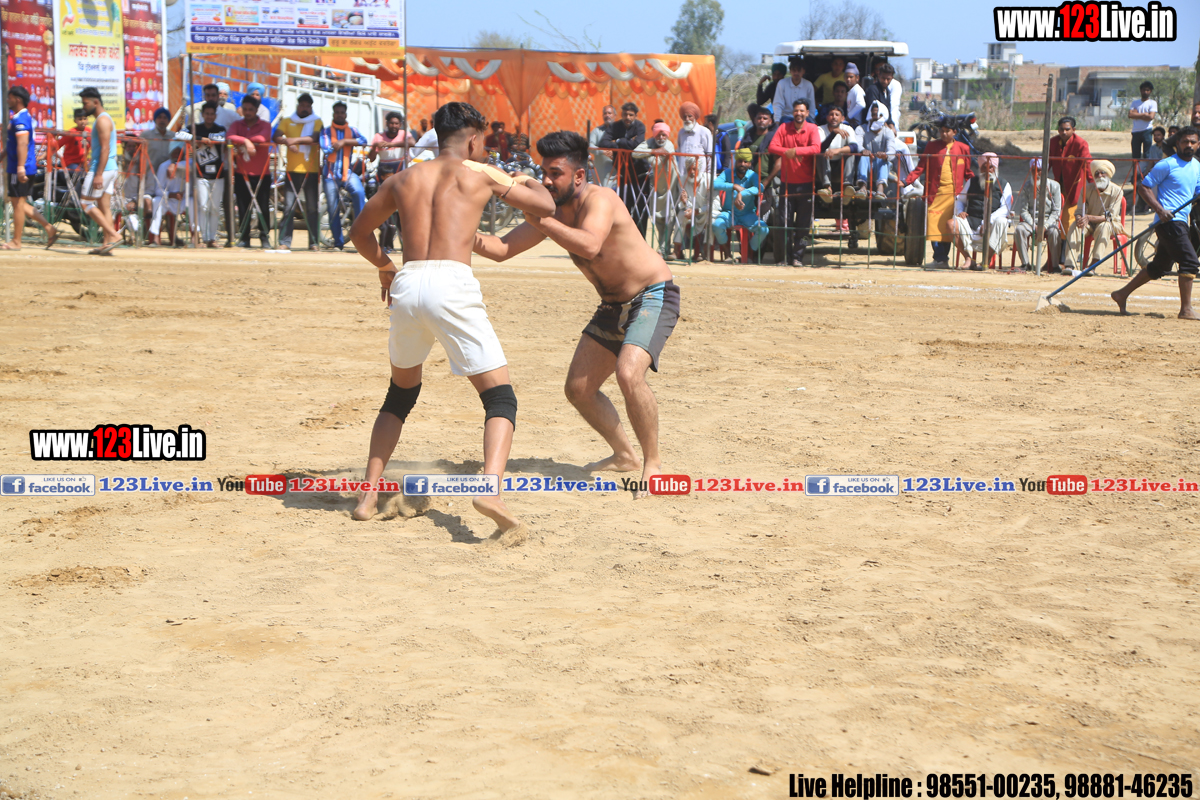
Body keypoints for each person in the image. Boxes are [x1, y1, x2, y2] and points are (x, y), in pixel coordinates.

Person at [344, 101, 556, 537]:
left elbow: (359, 233)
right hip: (452, 283)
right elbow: (546, 205)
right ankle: (490, 490)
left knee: (400, 394)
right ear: (473, 139)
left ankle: (367, 495)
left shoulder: (403, 178)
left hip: (408, 282)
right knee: (500, 398)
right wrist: (520, 177)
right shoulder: (480, 173)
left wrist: (385, 266)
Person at [472, 131, 679, 496]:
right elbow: (502, 249)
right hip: (612, 305)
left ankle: (653, 464)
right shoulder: (551, 212)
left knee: (628, 374)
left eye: (556, 173)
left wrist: (541, 221)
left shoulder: (601, 199)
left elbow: (590, 244)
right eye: (544, 173)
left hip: (652, 295)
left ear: (579, 175)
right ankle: (625, 455)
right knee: (579, 390)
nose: (547, 181)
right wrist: (461, 235)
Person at [1111, 127, 1200, 320]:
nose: (1189, 145)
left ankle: (1121, 294)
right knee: (1190, 262)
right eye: (1185, 141)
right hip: (1169, 221)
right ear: (1177, 144)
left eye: (1193, 142)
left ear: (1198, 144)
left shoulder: (1196, 166)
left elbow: (1197, 191)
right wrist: (1160, 210)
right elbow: (1143, 187)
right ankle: (1186, 310)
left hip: (1181, 221)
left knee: (1160, 266)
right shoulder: (1167, 164)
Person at [903, 121, 974, 267]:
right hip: (934, 194)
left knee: (946, 228)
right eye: (942, 131)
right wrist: (906, 181)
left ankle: (942, 259)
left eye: (947, 131)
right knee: (933, 225)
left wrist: (976, 188)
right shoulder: (931, 146)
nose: (944, 134)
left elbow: (968, 173)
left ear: (954, 132)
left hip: (954, 196)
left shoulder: (963, 148)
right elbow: (920, 167)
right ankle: (939, 258)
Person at [1, 86, 57, 250]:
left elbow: (22, 143)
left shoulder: (21, 120)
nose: (7, 100)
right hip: (22, 166)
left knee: (18, 204)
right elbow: (14, 144)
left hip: (20, 167)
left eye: (9, 97)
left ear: (17, 100)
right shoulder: (20, 118)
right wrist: (3, 155)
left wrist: (20, 167)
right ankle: (49, 228)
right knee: (19, 202)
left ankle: (16, 242)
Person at [768, 98, 822, 265]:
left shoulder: (812, 128)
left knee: (804, 227)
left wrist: (796, 151)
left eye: (802, 111)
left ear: (807, 113)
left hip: (806, 184)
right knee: (784, 223)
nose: (798, 113)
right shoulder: (784, 127)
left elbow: (816, 148)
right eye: (796, 110)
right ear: (792, 112)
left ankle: (798, 257)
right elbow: (772, 146)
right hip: (787, 184)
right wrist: (787, 152)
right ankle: (783, 258)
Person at [274, 93, 324, 251]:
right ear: (298, 106)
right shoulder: (287, 121)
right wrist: (286, 142)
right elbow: (276, 136)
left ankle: (314, 242)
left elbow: (314, 138)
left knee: (312, 208)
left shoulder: (317, 121)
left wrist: (293, 141)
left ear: (311, 107)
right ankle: (284, 242)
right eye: (302, 105)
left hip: (311, 170)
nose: (305, 108)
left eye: (307, 106)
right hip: (292, 170)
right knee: (288, 206)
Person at [78, 87, 122, 255]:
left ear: (95, 102)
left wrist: (98, 174)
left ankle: (114, 235)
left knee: (86, 203)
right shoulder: (103, 119)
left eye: (85, 103)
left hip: (102, 169)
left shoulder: (102, 120)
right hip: (109, 168)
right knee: (104, 207)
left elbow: (105, 148)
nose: (84, 107)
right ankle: (106, 244)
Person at [226, 94, 274, 249]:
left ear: (256, 110)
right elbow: (229, 136)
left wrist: (242, 140)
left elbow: (262, 138)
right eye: (245, 109)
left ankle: (264, 236)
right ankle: (244, 237)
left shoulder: (265, 125)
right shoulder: (237, 124)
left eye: (250, 109)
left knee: (263, 207)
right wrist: (246, 141)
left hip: (262, 174)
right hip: (242, 172)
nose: (247, 112)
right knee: (243, 207)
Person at [320, 101, 369, 250]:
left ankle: (361, 233)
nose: (340, 115)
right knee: (332, 207)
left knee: (359, 192)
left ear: (346, 114)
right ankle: (338, 242)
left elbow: (363, 141)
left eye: (342, 113)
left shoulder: (352, 130)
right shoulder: (326, 131)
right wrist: (341, 144)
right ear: (333, 114)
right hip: (330, 174)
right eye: (337, 113)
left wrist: (344, 141)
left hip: (347, 172)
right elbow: (326, 148)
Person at [949, 152, 1009, 270]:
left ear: (995, 168)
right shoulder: (972, 181)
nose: (987, 171)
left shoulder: (1004, 184)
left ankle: (986, 260)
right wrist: (960, 211)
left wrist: (988, 221)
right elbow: (960, 200)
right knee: (951, 224)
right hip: (971, 222)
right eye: (983, 167)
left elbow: (1005, 208)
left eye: (990, 167)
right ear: (980, 168)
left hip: (992, 225)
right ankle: (968, 259)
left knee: (1002, 222)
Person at [1067, 159, 1125, 271]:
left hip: (1110, 224)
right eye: (1097, 173)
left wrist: (1089, 217)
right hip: (1089, 223)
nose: (1100, 176)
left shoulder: (1117, 191)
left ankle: (1094, 264)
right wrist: (1079, 219)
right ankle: (1070, 264)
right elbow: (1079, 210)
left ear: (1109, 175)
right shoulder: (1087, 189)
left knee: (1104, 226)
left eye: (1103, 173)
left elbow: (1110, 217)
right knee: (1075, 226)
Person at [599, 102, 648, 234]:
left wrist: (619, 141)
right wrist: (625, 143)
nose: (628, 117)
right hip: (622, 172)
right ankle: (623, 236)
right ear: (621, 115)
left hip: (639, 173)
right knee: (623, 206)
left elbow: (637, 145)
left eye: (631, 115)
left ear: (635, 116)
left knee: (640, 207)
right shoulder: (615, 126)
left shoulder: (639, 126)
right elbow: (603, 142)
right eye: (625, 114)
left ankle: (640, 238)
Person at [711, 148, 769, 256]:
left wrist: (742, 193)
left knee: (764, 229)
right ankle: (728, 254)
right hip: (729, 213)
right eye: (740, 161)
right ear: (735, 162)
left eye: (745, 161)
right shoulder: (727, 173)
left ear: (749, 164)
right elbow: (714, 184)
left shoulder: (752, 175)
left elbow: (759, 188)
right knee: (717, 225)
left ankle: (747, 253)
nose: (742, 164)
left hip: (747, 214)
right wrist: (734, 186)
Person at [674, 101, 712, 260]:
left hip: (701, 178)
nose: (687, 119)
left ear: (695, 117)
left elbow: (709, 156)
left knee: (703, 214)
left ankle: (701, 252)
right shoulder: (681, 133)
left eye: (690, 116)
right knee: (682, 211)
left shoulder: (704, 132)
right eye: (685, 116)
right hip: (684, 178)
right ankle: (677, 251)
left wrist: (708, 176)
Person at [632, 122, 678, 252]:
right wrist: (653, 151)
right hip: (656, 186)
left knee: (669, 216)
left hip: (670, 185)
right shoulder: (650, 143)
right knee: (658, 218)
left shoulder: (669, 145)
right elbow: (635, 153)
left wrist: (650, 156)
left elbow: (656, 162)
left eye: (664, 135)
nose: (661, 138)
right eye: (658, 135)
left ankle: (663, 248)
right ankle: (664, 247)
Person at [1012, 158, 1062, 272]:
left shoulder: (1055, 186)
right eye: (1033, 170)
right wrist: (1033, 225)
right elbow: (1023, 210)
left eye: (1039, 170)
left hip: (1048, 221)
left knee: (1055, 232)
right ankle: (1025, 264)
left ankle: (1054, 266)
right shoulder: (1026, 186)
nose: (1037, 173)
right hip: (1031, 221)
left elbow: (1056, 211)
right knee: (1019, 229)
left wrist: (1045, 225)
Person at [369, 111, 410, 253]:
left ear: (400, 124)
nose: (394, 126)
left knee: (401, 212)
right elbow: (371, 158)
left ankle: (405, 245)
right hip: (384, 176)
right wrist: (375, 146)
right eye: (391, 123)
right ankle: (386, 245)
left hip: (400, 175)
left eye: (396, 123)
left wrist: (391, 144)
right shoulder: (378, 137)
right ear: (387, 124)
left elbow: (411, 143)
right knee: (386, 211)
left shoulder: (404, 135)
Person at [191, 102, 226, 248]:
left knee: (215, 208)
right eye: (207, 114)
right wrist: (199, 139)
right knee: (204, 206)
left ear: (215, 115)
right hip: (201, 174)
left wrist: (208, 139)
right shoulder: (195, 128)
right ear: (202, 115)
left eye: (212, 114)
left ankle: (212, 237)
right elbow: (180, 134)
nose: (209, 117)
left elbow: (222, 138)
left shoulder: (220, 129)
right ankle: (204, 238)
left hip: (218, 175)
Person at [1049, 116, 1091, 232]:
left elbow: (1087, 165)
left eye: (1067, 129)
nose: (1064, 132)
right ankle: (1059, 241)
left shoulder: (1080, 144)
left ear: (1073, 129)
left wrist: (1094, 183)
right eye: (1061, 129)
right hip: (1058, 185)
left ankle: (1067, 242)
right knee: (1057, 213)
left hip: (1074, 186)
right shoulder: (1053, 142)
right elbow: (1047, 163)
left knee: (1070, 216)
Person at [856, 101, 899, 200]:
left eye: (877, 114)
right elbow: (857, 144)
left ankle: (880, 189)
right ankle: (862, 187)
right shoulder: (861, 129)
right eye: (873, 114)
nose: (875, 117)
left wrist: (885, 155)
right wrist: (863, 150)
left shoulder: (888, 132)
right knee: (864, 157)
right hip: (866, 162)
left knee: (882, 159)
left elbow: (892, 151)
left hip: (882, 164)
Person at [147, 143, 187, 247]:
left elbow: (191, 164)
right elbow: (158, 190)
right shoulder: (163, 166)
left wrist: (175, 165)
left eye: (179, 153)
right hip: (168, 200)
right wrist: (171, 195)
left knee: (192, 202)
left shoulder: (187, 165)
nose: (177, 155)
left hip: (183, 201)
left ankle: (194, 238)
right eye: (175, 153)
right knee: (156, 201)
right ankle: (155, 237)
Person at [772, 57, 816, 126]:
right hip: (786, 117)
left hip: (803, 118)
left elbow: (812, 106)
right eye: (794, 70)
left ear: (803, 71)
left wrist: (811, 120)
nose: (796, 73)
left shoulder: (808, 85)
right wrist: (777, 121)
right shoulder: (782, 83)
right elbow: (778, 104)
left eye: (799, 70)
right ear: (790, 71)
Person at [588, 104, 617, 187]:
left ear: (614, 116)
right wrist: (602, 151)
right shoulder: (597, 131)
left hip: (618, 172)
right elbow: (589, 145)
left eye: (609, 113)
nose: (607, 115)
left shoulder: (621, 131)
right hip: (602, 173)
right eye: (605, 113)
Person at [1128, 80, 1157, 161]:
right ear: (1141, 90)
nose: (1145, 92)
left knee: (1147, 154)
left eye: (1147, 90)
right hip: (1136, 131)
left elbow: (1151, 116)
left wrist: (1136, 114)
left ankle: (1146, 169)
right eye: (1144, 90)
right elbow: (1130, 115)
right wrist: (1144, 114)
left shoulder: (1152, 103)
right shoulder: (1135, 103)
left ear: (1150, 91)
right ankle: (1135, 169)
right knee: (1135, 155)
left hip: (1147, 130)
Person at [844, 62, 866, 127]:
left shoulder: (857, 89)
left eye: (851, 77)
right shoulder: (852, 90)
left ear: (857, 78)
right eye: (846, 77)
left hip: (857, 125)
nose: (848, 79)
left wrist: (849, 116)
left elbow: (861, 104)